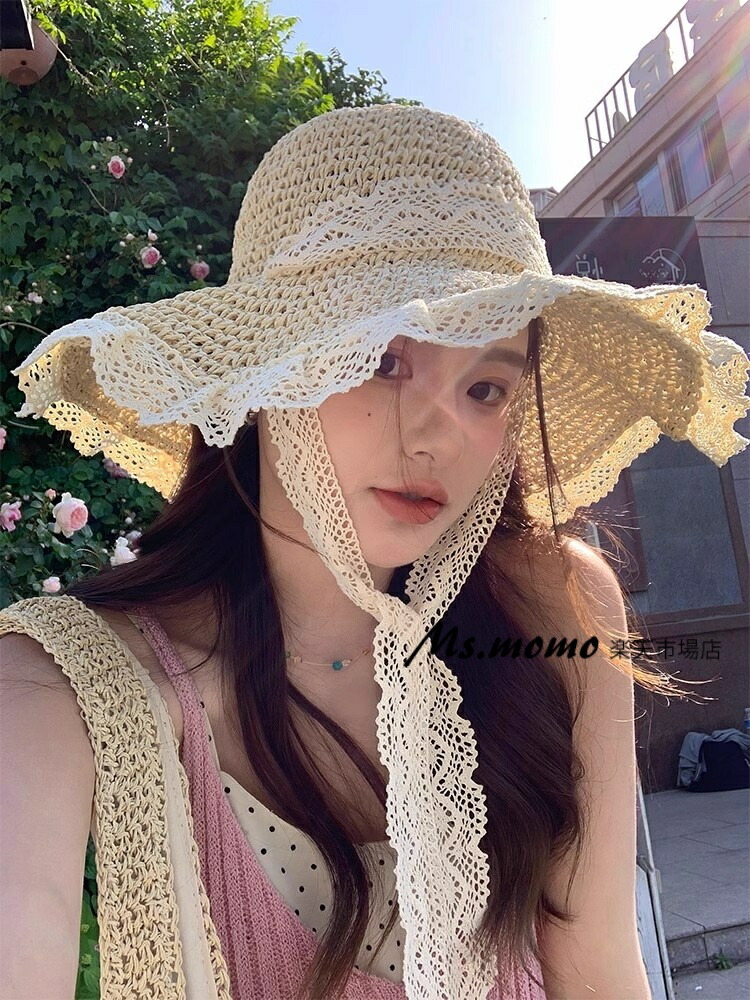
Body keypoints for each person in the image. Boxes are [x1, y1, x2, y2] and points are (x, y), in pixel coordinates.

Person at [1, 103, 748, 1000]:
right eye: (384, 361)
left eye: (486, 387)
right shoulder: (63, 685)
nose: (438, 434)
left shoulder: (554, 608)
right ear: (269, 372)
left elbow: (598, 968)